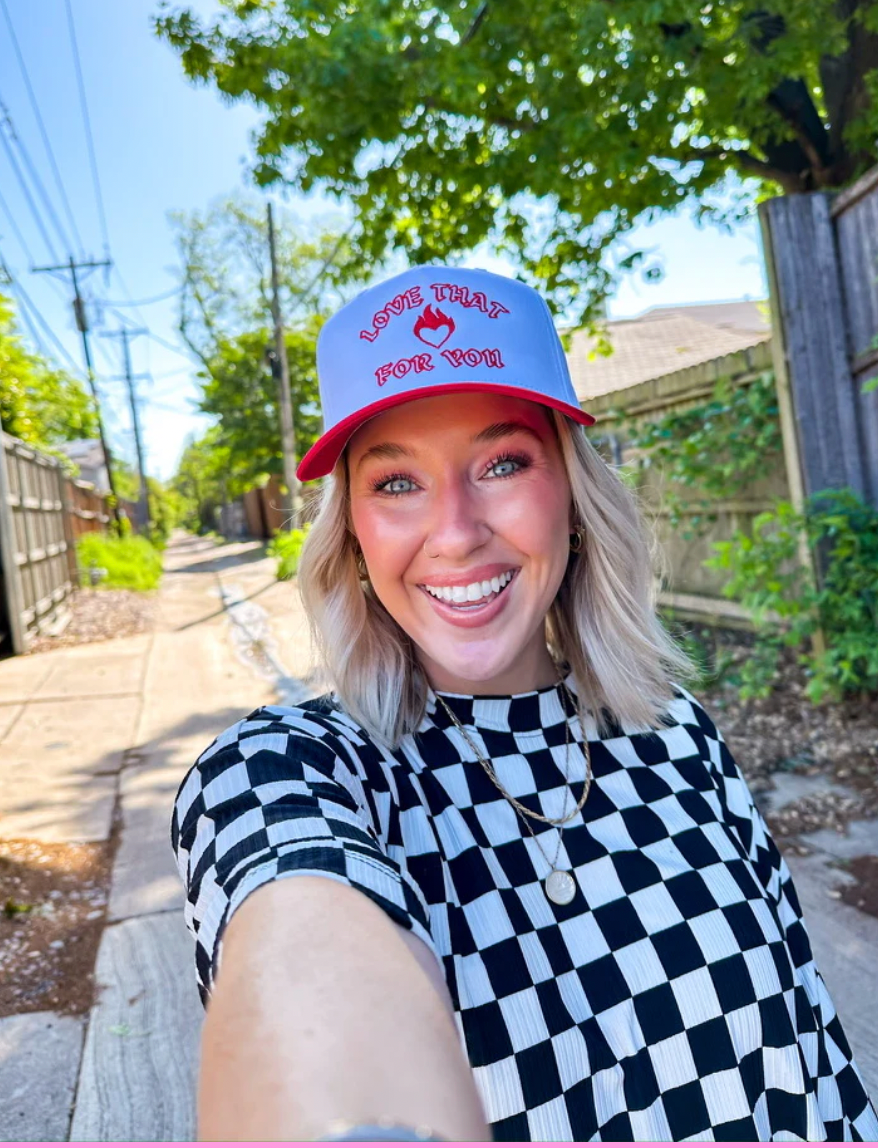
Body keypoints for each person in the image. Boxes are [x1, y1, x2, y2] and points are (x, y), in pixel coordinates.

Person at [171, 266, 878, 1143]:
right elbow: (303, 967)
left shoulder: (678, 734)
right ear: (350, 531)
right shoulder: (286, 773)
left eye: (502, 463)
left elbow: (813, 1056)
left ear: (573, 498)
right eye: (396, 483)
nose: (457, 532)